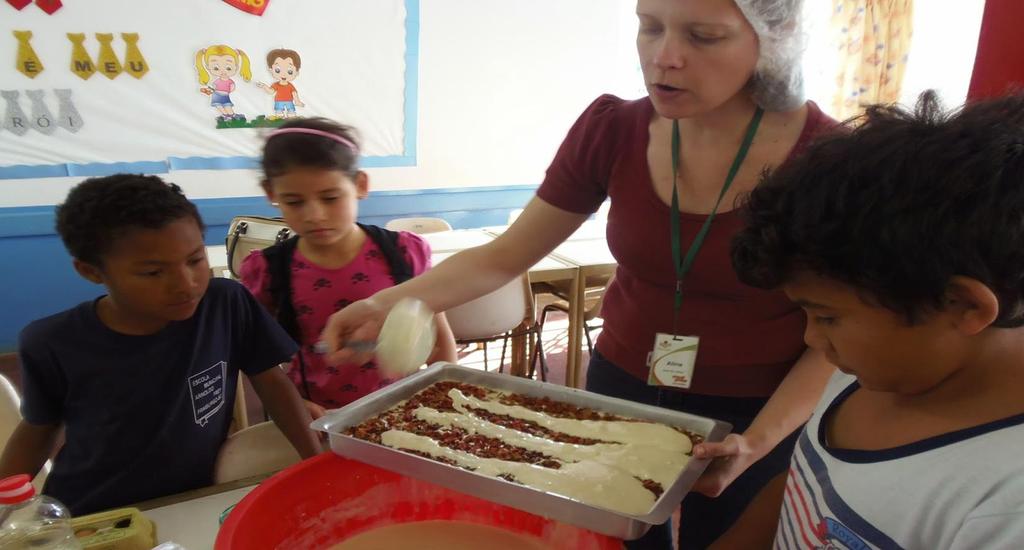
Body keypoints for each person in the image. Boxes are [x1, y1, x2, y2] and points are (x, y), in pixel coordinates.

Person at [320, 0, 836, 547]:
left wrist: (756, 442)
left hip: (761, 406)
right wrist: (390, 302)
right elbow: (504, 256)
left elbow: (836, 334)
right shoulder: (613, 129)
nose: (665, 57)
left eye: (704, 36)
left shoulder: (826, 159)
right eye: (649, 28)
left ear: (773, 37)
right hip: (622, 390)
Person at [712, 92, 1024, 548]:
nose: (812, 338)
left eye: (828, 317)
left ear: (962, 306)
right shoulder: (868, 373)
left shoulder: (1006, 504)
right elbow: (801, 486)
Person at [0, 175, 321, 516]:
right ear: (91, 271)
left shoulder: (225, 303)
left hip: (195, 498)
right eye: (154, 273)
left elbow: (272, 382)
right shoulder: (52, 342)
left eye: (195, 259)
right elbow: (37, 431)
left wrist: (315, 459)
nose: (186, 285)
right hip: (96, 511)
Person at [239, 118, 457, 416]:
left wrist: (441, 395)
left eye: (330, 198)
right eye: (294, 202)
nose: (315, 215)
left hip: (402, 409)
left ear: (360, 185)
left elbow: (439, 334)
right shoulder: (269, 270)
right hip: (317, 416)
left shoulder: (403, 253)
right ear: (271, 194)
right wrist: (295, 406)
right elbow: (257, 357)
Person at [255, 48, 305, 119]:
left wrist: (297, 101)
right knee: (279, 113)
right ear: (271, 70)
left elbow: (294, 93)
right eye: (277, 70)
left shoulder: (290, 86)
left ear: (296, 72)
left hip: (289, 101)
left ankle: (291, 116)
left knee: (291, 112)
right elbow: (271, 91)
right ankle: (280, 116)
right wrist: (264, 86)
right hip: (279, 101)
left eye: (289, 71)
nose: (284, 74)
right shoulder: (276, 85)